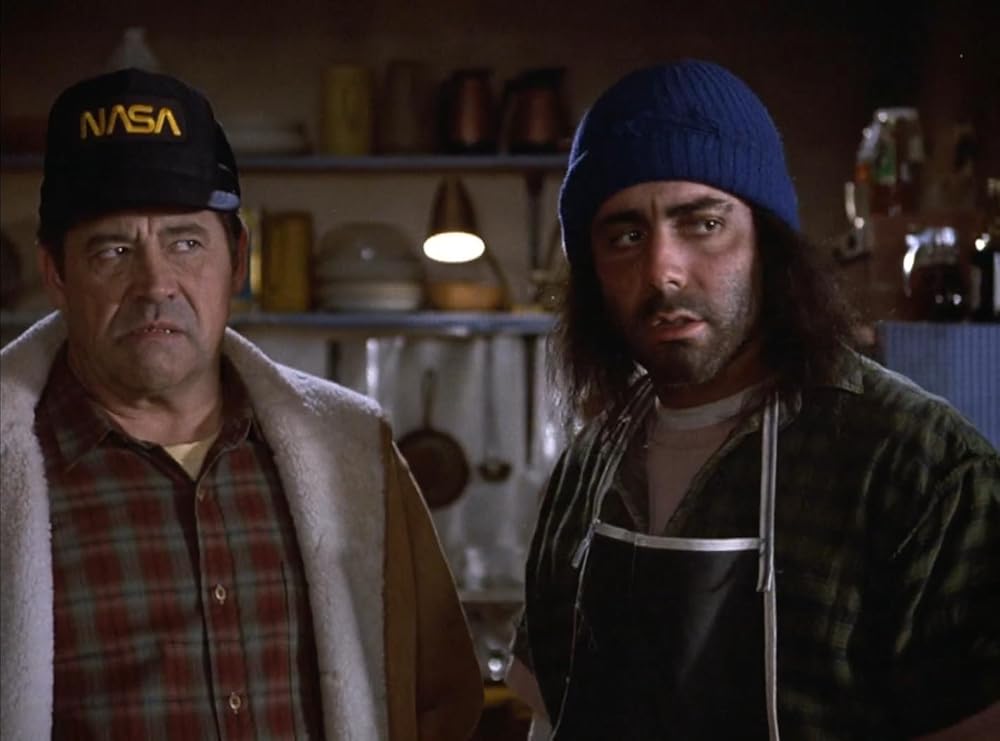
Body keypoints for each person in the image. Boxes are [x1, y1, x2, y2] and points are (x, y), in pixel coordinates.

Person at [506, 59, 1000, 740]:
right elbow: (547, 720)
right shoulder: (586, 469)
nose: (662, 270)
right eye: (626, 236)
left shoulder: (918, 467)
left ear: (768, 243)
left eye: (703, 224)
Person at [0, 68, 483, 740]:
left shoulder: (352, 451)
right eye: (114, 249)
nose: (155, 284)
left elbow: (442, 700)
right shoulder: (11, 473)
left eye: (186, 243)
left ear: (238, 258)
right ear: (55, 272)